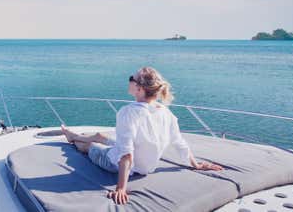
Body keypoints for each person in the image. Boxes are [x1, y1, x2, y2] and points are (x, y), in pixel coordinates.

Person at [61, 66, 223, 205]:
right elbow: (179, 142)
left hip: (115, 163)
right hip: (145, 165)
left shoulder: (128, 113)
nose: (129, 79)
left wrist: (121, 188)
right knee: (100, 135)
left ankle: (74, 140)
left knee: (90, 147)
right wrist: (195, 165)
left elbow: (126, 155)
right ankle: (73, 135)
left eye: (132, 78)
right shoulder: (165, 112)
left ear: (139, 89)